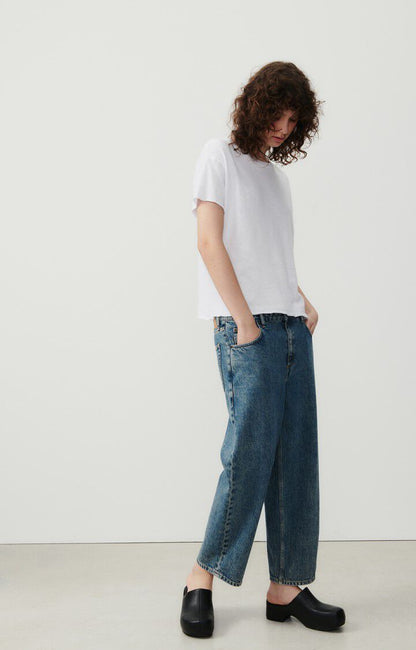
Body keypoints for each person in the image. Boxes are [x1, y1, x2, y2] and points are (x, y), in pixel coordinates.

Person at [180, 61, 346, 638]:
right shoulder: (218, 157)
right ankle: (200, 577)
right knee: (247, 457)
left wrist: (303, 301)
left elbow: (268, 256)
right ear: (256, 105)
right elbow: (210, 243)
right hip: (245, 328)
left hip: (291, 326)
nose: (283, 126)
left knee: (296, 456)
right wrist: (247, 324)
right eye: (278, 113)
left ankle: (286, 587)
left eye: (294, 120)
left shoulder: (276, 179)